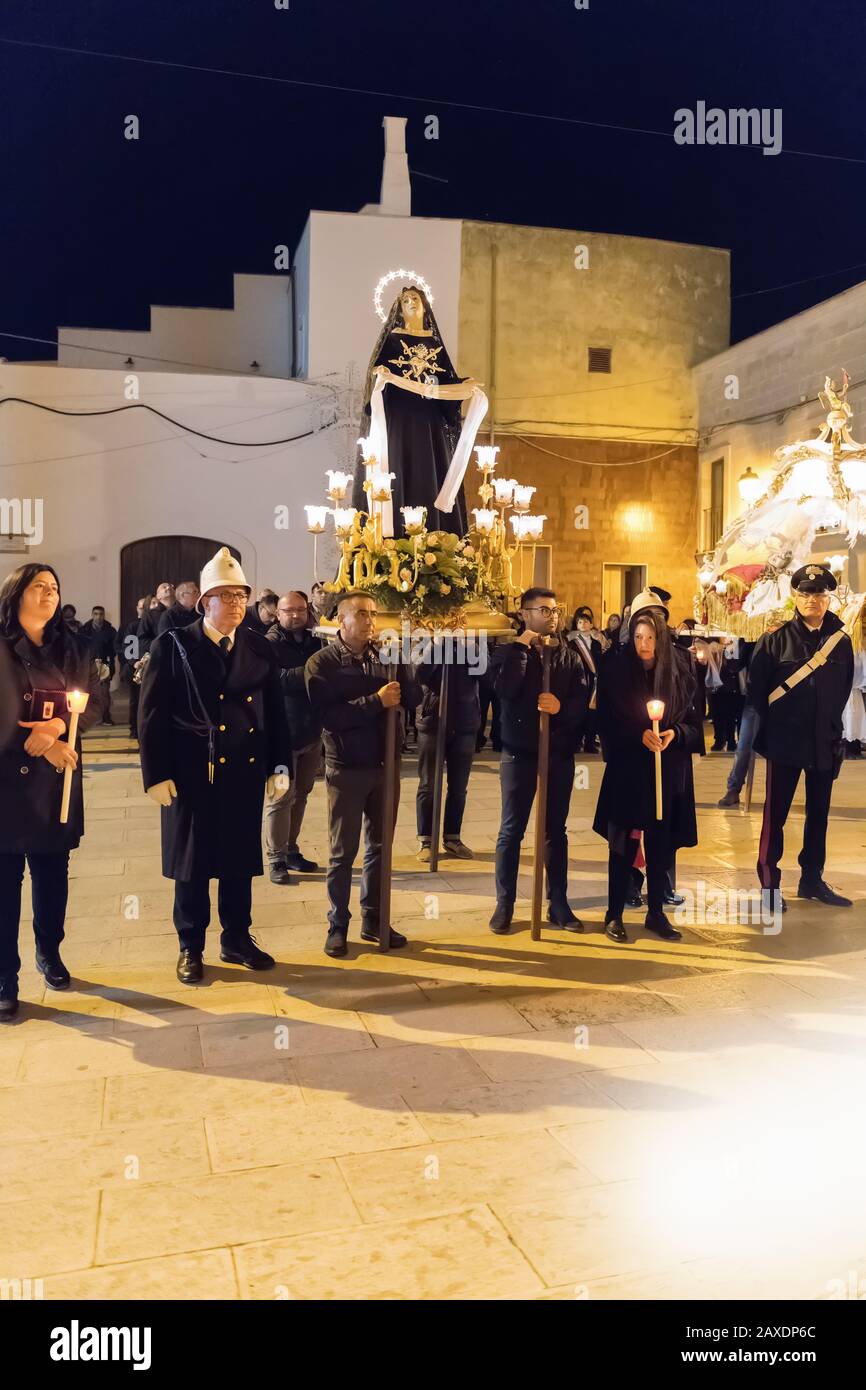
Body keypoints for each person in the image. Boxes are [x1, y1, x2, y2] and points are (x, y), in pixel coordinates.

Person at [138, 548, 290, 984]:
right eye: (226, 597)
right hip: (189, 772)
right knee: (192, 864)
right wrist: (156, 772)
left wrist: (279, 764)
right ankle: (190, 945)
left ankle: (237, 938)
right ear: (206, 602)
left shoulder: (259, 647)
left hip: (242, 770)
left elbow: (273, 712)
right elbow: (150, 714)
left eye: (241, 596)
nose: (237, 605)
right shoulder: (173, 645)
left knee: (238, 860)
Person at [0, 564, 103, 1019]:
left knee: (51, 876)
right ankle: (4, 976)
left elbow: (94, 700)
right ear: (16, 593)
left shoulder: (73, 647)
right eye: (38, 587)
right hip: (5, 778)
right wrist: (33, 741)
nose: (48, 594)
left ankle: (50, 952)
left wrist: (60, 727)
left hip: (56, 782)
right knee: (4, 885)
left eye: (54, 588)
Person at [305, 592, 421, 958]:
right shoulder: (322, 663)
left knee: (381, 847)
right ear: (341, 620)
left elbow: (414, 699)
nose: (370, 620)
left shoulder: (386, 656)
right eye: (361, 614)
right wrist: (376, 701)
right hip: (346, 767)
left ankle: (374, 918)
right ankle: (337, 923)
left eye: (373, 614)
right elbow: (330, 718)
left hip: (385, 765)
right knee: (343, 852)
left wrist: (406, 662)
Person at [594, 589, 702, 945]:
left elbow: (695, 719)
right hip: (630, 768)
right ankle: (614, 913)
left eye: (651, 638)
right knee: (622, 842)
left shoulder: (681, 666)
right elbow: (605, 720)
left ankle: (656, 911)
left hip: (667, 768)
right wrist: (635, 734)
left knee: (660, 843)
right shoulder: (615, 666)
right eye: (639, 637)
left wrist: (676, 733)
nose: (644, 645)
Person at [748, 564, 855, 911]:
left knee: (819, 813)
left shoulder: (841, 642)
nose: (813, 600)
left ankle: (812, 878)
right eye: (806, 594)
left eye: (820, 594)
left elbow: (842, 689)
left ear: (829, 598)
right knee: (775, 815)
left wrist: (832, 731)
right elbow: (757, 693)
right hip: (785, 741)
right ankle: (769, 884)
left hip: (824, 741)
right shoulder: (775, 640)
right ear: (796, 597)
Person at [489, 587, 591, 935]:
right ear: (525, 613)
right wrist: (521, 647)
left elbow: (582, 696)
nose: (552, 616)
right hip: (519, 751)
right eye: (544, 610)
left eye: (555, 610)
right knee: (511, 830)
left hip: (558, 753)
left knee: (554, 831)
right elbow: (504, 690)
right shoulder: (508, 652)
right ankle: (505, 903)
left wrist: (561, 708)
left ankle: (558, 902)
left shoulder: (569, 653)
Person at [351, 285, 485, 537]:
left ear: (424, 306)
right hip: (401, 421)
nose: (411, 302)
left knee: (430, 473)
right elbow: (376, 375)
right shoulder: (392, 340)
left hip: (430, 424)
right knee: (401, 472)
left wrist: (463, 385)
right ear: (400, 310)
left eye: (415, 298)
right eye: (405, 300)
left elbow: (446, 381)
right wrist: (380, 375)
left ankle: (434, 537)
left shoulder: (434, 343)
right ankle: (396, 538)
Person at [266, 591, 323, 882]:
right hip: (279, 735)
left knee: (301, 796)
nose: (295, 615)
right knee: (279, 798)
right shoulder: (269, 644)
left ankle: (290, 849)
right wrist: (314, 671)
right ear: (278, 613)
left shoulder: (317, 640)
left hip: (311, 731)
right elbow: (276, 681)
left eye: (300, 610)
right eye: (289, 611)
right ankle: (275, 858)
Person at [416, 648, 481, 862]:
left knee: (459, 787)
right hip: (433, 720)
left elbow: (485, 673)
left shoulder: (473, 642)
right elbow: (418, 673)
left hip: (465, 720)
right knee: (428, 783)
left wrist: (469, 644)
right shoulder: (426, 641)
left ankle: (452, 838)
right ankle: (426, 839)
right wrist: (435, 644)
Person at [717, 620, 784, 808]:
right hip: (755, 701)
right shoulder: (754, 641)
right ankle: (733, 789)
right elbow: (735, 665)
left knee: (781, 750)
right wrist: (732, 646)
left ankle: (778, 795)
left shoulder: (789, 642)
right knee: (744, 746)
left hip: (782, 703)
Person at [567, 606, 604, 753]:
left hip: (594, 682)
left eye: (586, 622)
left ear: (590, 624)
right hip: (579, 680)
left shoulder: (596, 642)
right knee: (578, 711)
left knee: (592, 713)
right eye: (580, 622)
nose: (583, 625)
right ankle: (576, 742)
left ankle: (590, 742)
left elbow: (600, 661)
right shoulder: (572, 642)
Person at [116, 597, 148, 739]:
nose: (144, 610)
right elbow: (129, 648)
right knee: (135, 701)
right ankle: (134, 729)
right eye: (141, 607)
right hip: (137, 670)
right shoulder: (133, 626)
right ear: (137, 609)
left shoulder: (154, 624)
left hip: (151, 669)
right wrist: (135, 662)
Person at [80, 605, 117, 725]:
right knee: (89, 693)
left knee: (104, 693)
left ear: (104, 615)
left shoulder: (110, 631)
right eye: (96, 614)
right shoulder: (84, 630)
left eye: (101, 614)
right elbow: (79, 648)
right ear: (92, 615)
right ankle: (91, 718)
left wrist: (111, 667)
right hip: (88, 665)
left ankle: (106, 717)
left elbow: (114, 649)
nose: (98, 617)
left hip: (104, 665)